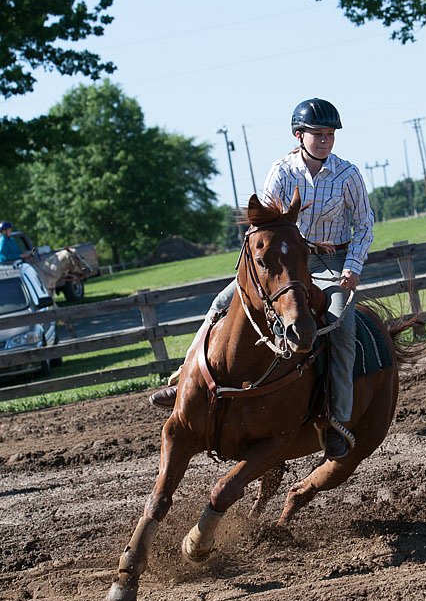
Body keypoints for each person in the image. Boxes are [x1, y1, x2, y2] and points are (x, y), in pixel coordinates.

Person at [149, 98, 374, 460]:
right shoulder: (281, 171)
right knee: (221, 303)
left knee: (342, 330)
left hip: (331, 268)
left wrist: (352, 267)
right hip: (284, 269)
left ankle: (336, 419)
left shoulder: (348, 175)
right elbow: (264, 224)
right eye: (318, 133)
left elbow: (364, 225)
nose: (326, 140)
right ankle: (182, 380)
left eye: (330, 134)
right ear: (299, 135)